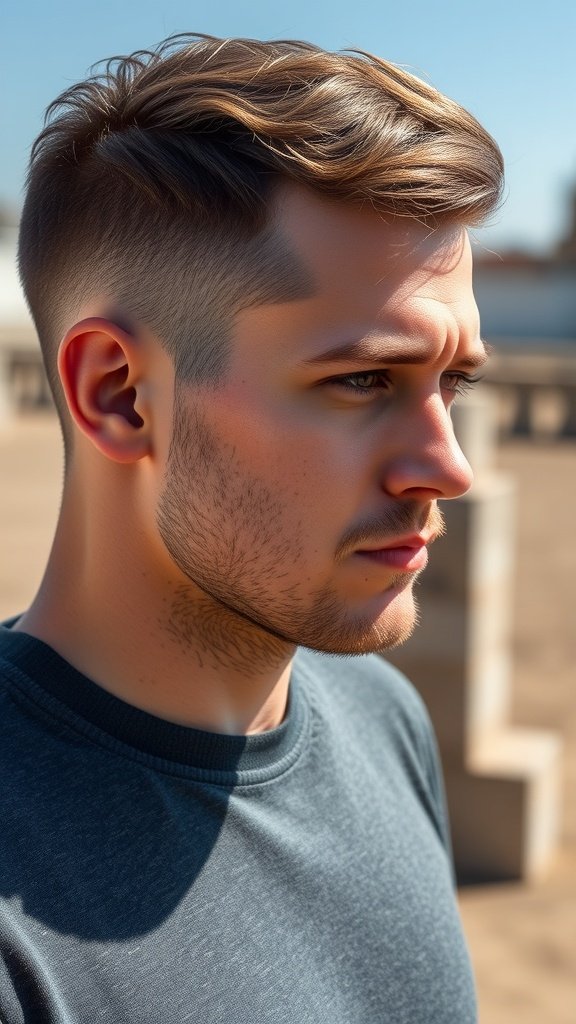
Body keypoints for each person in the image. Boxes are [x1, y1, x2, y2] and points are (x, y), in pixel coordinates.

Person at [0, 33, 503, 1023]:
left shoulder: (383, 717)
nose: (449, 465)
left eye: (452, 383)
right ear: (121, 395)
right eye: (364, 380)